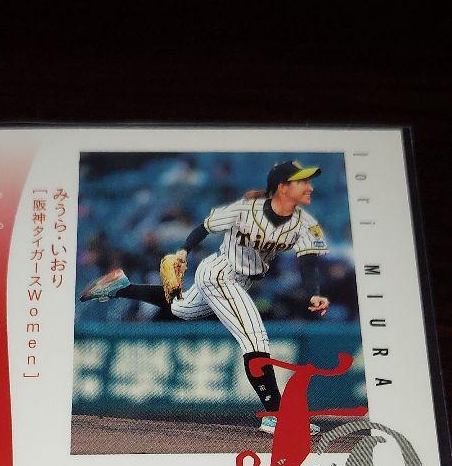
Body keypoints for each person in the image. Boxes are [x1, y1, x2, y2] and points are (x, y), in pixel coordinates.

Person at [80, 160, 331, 433]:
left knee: (181, 308)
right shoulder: (244, 211)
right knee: (255, 338)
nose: (309, 186)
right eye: (301, 181)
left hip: (239, 281)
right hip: (220, 273)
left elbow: (308, 262)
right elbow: (205, 227)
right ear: (282, 187)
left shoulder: (304, 224)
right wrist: (183, 251)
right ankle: (276, 415)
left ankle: (121, 287)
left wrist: (315, 294)